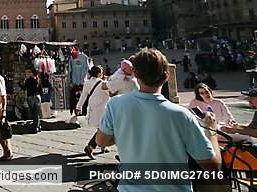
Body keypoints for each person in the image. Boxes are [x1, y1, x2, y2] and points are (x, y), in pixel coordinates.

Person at [96, 48, 221, 192]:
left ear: (135, 74)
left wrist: (122, 133)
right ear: (166, 76)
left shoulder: (116, 104)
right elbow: (212, 168)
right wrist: (212, 133)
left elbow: (101, 141)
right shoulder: (181, 115)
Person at [76, 65, 109, 159]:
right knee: (103, 128)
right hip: (103, 108)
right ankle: (90, 146)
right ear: (99, 73)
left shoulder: (87, 83)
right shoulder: (103, 83)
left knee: (101, 128)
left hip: (93, 108)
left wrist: (79, 107)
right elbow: (110, 93)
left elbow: (83, 96)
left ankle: (103, 146)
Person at [17, 68, 42, 133]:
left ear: (31, 73)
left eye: (29, 72)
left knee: (33, 113)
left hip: (31, 97)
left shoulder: (28, 80)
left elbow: (24, 88)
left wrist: (19, 84)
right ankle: (38, 126)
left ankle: (35, 127)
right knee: (37, 113)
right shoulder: (38, 80)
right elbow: (41, 90)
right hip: (38, 97)